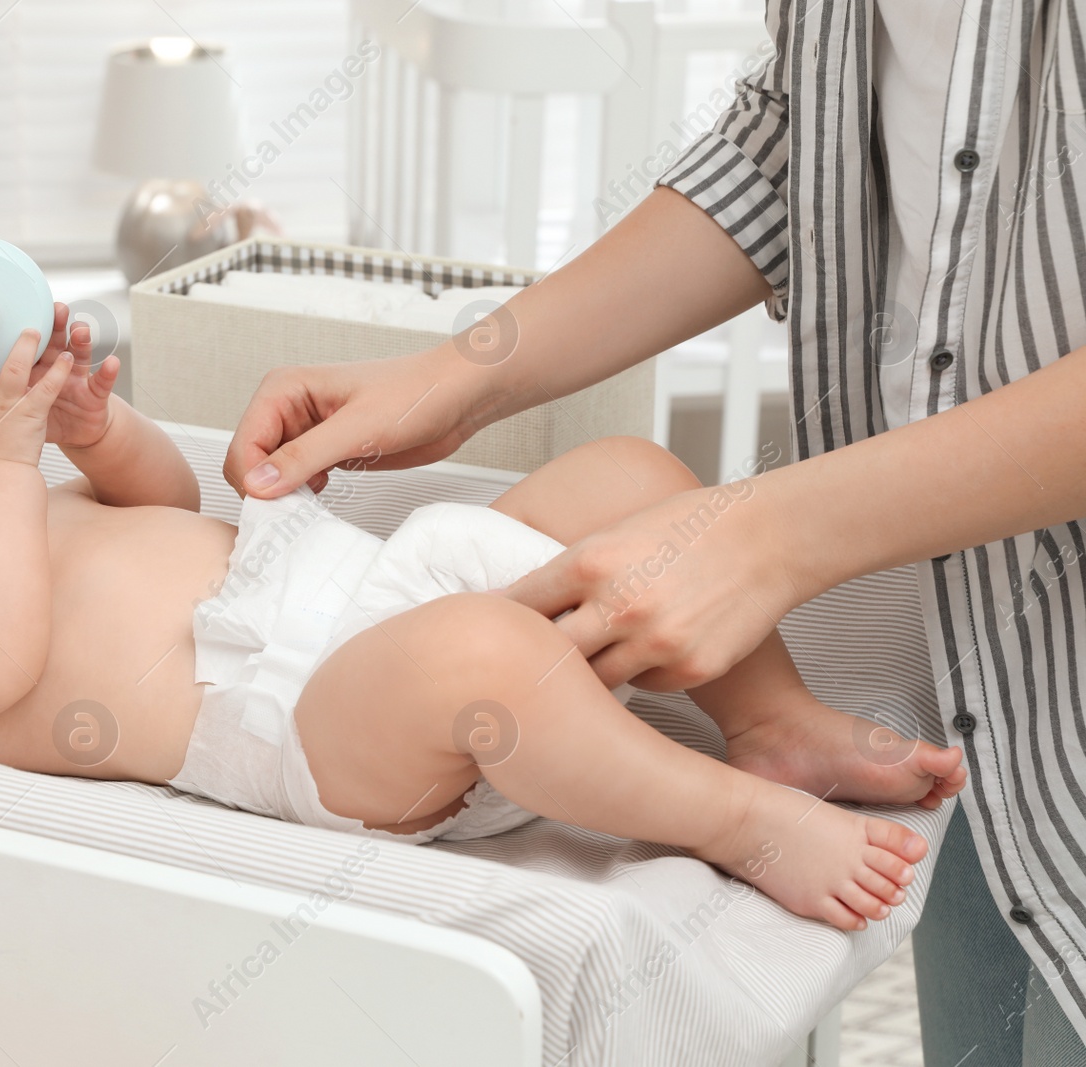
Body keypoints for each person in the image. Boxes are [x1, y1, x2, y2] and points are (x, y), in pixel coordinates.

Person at [221, 2, 1086, 1062]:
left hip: (344, 637)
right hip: (323, 684)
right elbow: (798, 137)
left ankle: (753, 764)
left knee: (606, 503)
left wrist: (775, 537)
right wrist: (459, 373)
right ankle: (754, 770)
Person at [0, 303, 960, 933]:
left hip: (366, 580)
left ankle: (771, 725)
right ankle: (735, 814)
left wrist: (98, 445)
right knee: (486, 660)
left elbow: (170, 503)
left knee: (636, 483)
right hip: (315, 714)